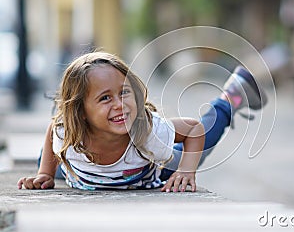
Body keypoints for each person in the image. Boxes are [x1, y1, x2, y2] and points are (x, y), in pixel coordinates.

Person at [17, 52, 267, 192]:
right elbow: (54, 130)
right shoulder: (67, 134)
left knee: (192, 153)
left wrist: (185, 171)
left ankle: (231, 97)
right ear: (80, 111)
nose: (119, 104)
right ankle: (67, 105)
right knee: (51, 155)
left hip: (145, 169)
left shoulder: (146, 131)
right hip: (79, 167)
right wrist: (44, 174)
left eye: (125, 92)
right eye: (105, 98)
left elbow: (194, 129)